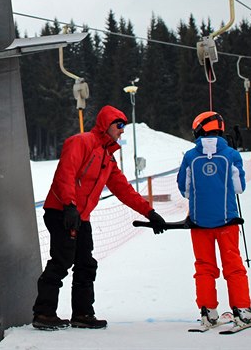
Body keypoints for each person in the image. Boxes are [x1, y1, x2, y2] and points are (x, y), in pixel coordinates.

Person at [32, 105, 167, 330]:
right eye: (119, 125)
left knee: (86, 263)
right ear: (107, 124)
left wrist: (150, 213)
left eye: (124, 125)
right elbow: (65, 173)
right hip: (61, 211)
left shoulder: (107, 157)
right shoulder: (81, 142)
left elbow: (124, 190)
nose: (122, 130)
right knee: (62, 261)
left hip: (80, 216)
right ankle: (44, 313)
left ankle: (83, 314)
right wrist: (69, 205)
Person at [177, 111, 251, 328]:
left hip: (199, 223)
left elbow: (184, 189)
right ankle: (242, 311)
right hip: (227, 221)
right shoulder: (230, 154)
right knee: (233, 265)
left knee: (204, 267)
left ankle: (208, 312)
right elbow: (239, 188)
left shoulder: (190, 156)